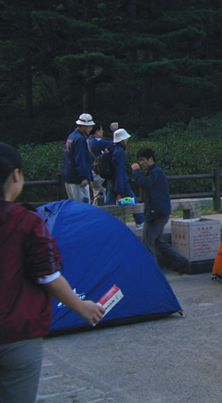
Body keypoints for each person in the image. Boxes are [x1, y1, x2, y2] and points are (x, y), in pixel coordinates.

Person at [0, 142, 104, 403]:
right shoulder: (26, 221)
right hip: (16, 334)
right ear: (15, 176)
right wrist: (81, 306)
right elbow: (48, 276)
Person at [131, 148, 188, 273]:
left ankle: (153, 272)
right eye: (140, 160)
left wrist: (136, 172)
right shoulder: (154, 171)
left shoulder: (156, 172)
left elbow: (146, 183)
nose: (141, 163)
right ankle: (181, 261)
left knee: (147, 243)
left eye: (143, 160)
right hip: (159, 211)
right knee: (158, 242)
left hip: (155, 213)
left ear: (150, 159)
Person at [104, 129, 144, 229]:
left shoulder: (111, 149)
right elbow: (120, 169)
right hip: (121, 181)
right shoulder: (120, 151)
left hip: (112, 181)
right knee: (133, 201)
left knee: (109, 203)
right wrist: (120, 186)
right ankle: (140, 221)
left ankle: (104, 221)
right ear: (122, 140)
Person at [61, 113, 95, 203]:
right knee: (82, 205)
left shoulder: (71, 136)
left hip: (69, 176)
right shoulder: (80, 139)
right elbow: (80, 159)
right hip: (77, 179)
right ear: (83, 126)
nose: (91, 128)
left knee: (73, 204)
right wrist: (83, 177)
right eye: (89, 126)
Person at [87, 123, 112, 205]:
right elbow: (114, 143)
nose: (102, 132)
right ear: (97, 132)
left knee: (96, 193)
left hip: (90, 171)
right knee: (101, 194)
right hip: (98, 172)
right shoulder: (97, 141)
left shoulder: (87, 141)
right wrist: (115, 131)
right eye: (101, 130)